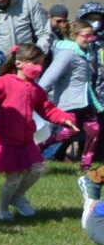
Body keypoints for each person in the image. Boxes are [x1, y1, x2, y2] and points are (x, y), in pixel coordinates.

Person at [0, 43, 76, 220]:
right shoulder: (6, 82)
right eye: (34, 63)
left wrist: (64, 118)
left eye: (41, 63)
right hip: (7, 140)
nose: (38, 68)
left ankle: (17, 197)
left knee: (38, 169)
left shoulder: (36, 89)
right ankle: (2, 209)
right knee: (12, 179)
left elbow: (47, 108)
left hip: (26, 140)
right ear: (19, 63)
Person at [37, 20, 97, 167]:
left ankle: (86, 165)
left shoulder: (88, 53)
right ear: (74, 35)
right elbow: (50, 77)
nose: (90, 40)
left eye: (92, 36)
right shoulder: (67, 54)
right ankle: (39, 147)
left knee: (94, 129)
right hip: (69, 102)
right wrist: (38, 95)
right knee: (68, 132)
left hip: (86, 100)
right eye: (86, 36)